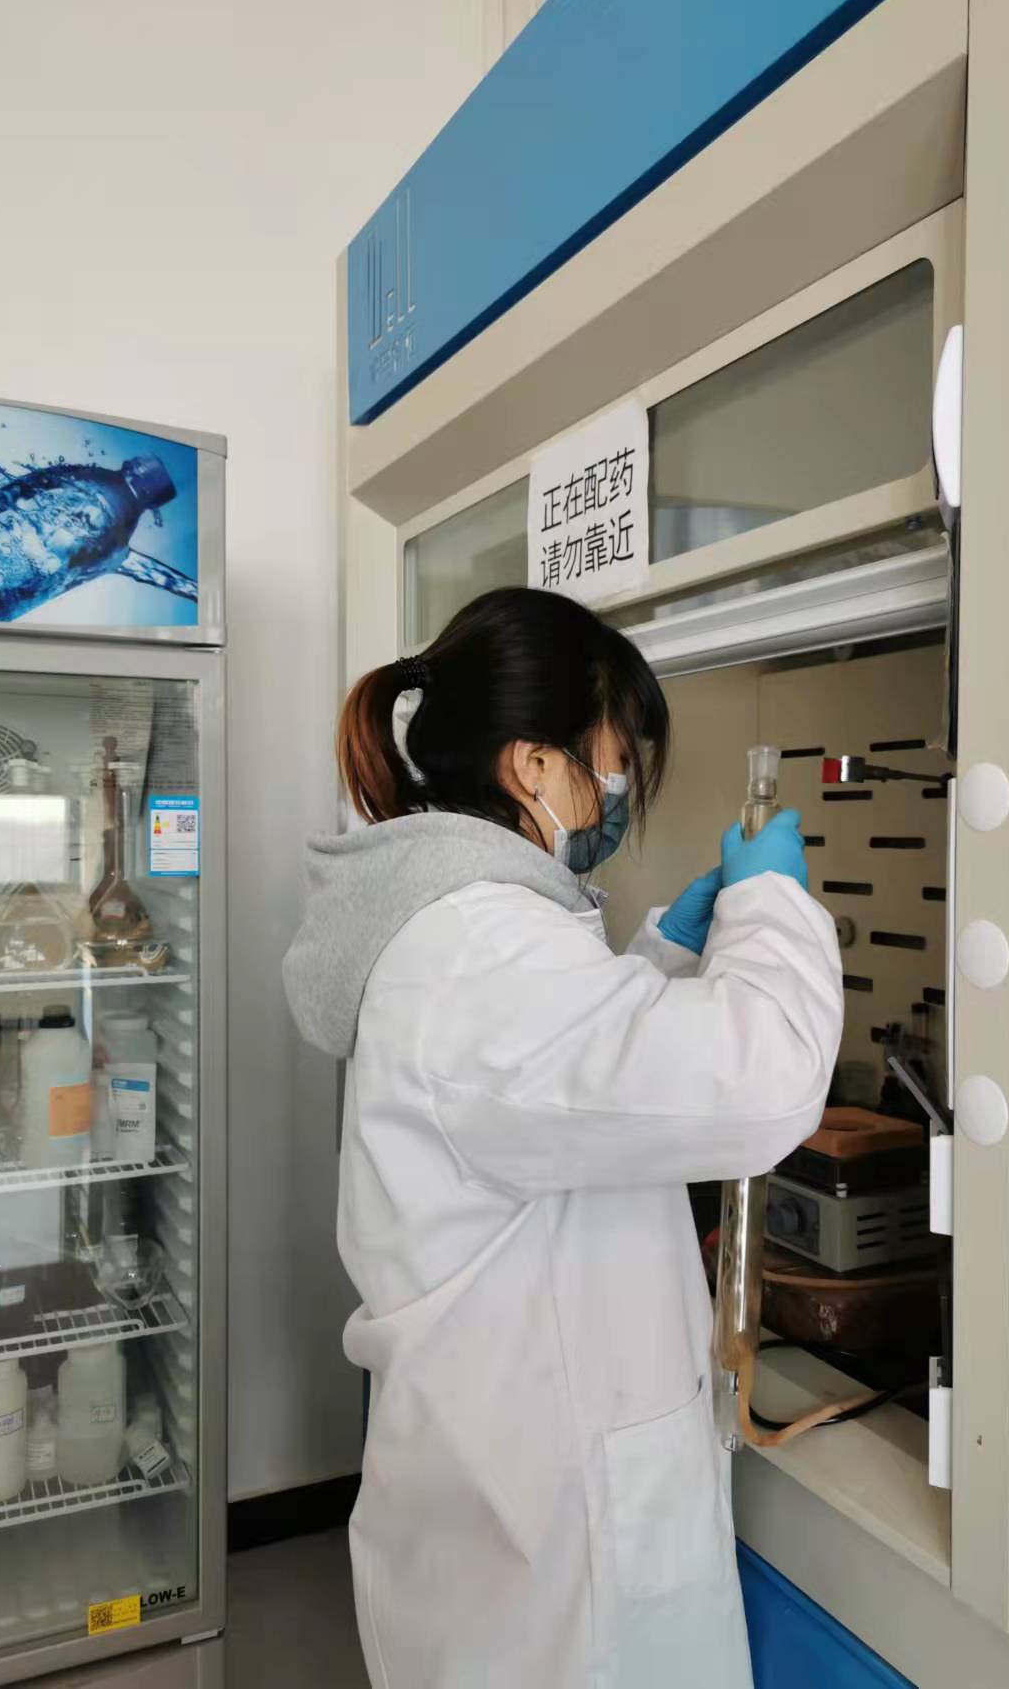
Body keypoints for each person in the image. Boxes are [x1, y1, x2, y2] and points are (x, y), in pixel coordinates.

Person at [284, 587, 843, 1689]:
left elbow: (555, 1099)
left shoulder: (464, 937)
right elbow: (765, 1079)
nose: (619, 784)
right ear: (534, 765)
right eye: (613, 755)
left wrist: (663, 959)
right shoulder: (483, 954)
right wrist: (772, 904)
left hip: (499, 1490)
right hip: (552, 1546)